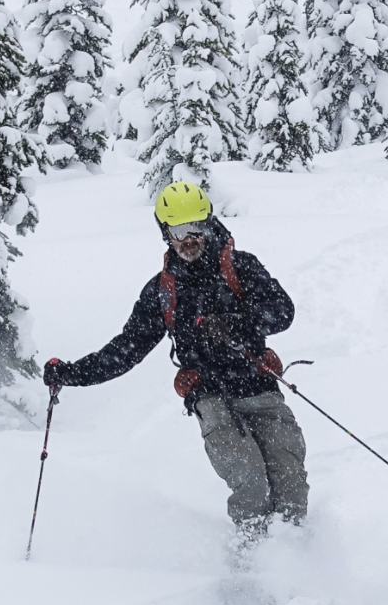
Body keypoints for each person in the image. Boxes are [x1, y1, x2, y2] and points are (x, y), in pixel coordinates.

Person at [43, 182, 308, 540]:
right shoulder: (163, 291)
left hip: (257, 384)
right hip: (210, 395)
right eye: (178, 231)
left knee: (289, 479)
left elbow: (283, 312)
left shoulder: (241, 267)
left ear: (208, 223)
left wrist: (237, 323)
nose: (189, 240)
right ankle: (256, 563)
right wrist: (72, 373)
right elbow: (127, 349)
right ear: (165, 233)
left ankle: (299, 559)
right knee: (250, 482)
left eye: (195, 228)